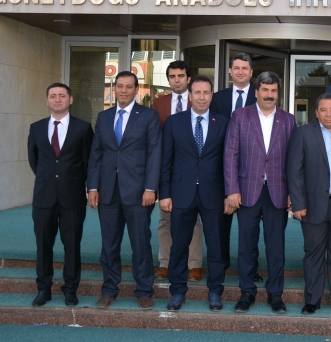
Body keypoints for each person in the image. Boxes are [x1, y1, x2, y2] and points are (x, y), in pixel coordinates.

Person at [87, 71, 161, 311]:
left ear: (136, 90)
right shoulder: (104, 117)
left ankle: (144, 291)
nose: (124, 90)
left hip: (138, 192)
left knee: (140, 244)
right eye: (120, 86)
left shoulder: (148, 116)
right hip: (108, 191)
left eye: (129, 86)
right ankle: (109, 290)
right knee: (109, 244)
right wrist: (92, 186)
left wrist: (150, 187)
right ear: (114, 88)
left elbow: (155, 153)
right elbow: (96, 153)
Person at [224, 71, 296, 314]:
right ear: (256, 92)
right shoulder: (240, 116)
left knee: (276, 247)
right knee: (246, 245)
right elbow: (230, 154)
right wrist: (232, 189)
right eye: (265, 90)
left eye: (273, 90)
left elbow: (293, 160)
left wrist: (293, 192)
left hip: (278, 191)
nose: (269, 95)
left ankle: (275, 294)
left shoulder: (288, 120)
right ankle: (247, 292)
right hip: (246, 191)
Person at [160, 75, 230, 312]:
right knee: (179, 246)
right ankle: (178, 291)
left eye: (206, 92)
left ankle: (215, 291)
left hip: (214, 193)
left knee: (216, 247)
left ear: (211, 96)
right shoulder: (174, 122)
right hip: (181, 193)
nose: (201, 97)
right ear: (190, 96)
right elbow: (165, 161)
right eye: (197, 92)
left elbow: (228, 162)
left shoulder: (223, 122)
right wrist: (165, 193)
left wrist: (229, 193)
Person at [287, 93, 331, 316]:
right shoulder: (303, 133)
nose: (328, 114)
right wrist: (298, 202)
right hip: (312, 204)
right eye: (323, 110)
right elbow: (294, 170)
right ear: (316, 113)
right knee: (314, 253)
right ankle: (312, 300)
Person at [27, 83, 94, 307]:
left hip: (72, 197)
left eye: (62, 96)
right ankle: (43, 289)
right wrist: (49, 179)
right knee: (43, 245)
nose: (58, 99)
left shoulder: (83, 128)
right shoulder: (36, 128)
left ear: (70, 100)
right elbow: (34, 160)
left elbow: (88, 162)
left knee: (72, 246)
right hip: (43, 197)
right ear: (47, 100)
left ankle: (70, 289)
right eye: (53, 96)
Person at [209, 53, 261, 283]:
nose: (240, 72)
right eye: (236, 68)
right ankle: (221, 264)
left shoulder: (260, 96)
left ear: (251, 72)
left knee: (250, 225)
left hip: (252, 168)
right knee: (221, 221)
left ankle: (250, 267)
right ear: (230, 71)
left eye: (244, 68)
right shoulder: (217, 98)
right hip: (222, 167)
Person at [151, 60, 204, 282]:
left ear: (188, 78)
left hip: (193, 171)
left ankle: (194, 265)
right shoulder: (159, 103)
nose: (176, 80)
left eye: (181, 76)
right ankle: (165, 263)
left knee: (194, 220)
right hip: (168, 171)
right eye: (172, 77)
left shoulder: (199, 100)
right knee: (166, 219)